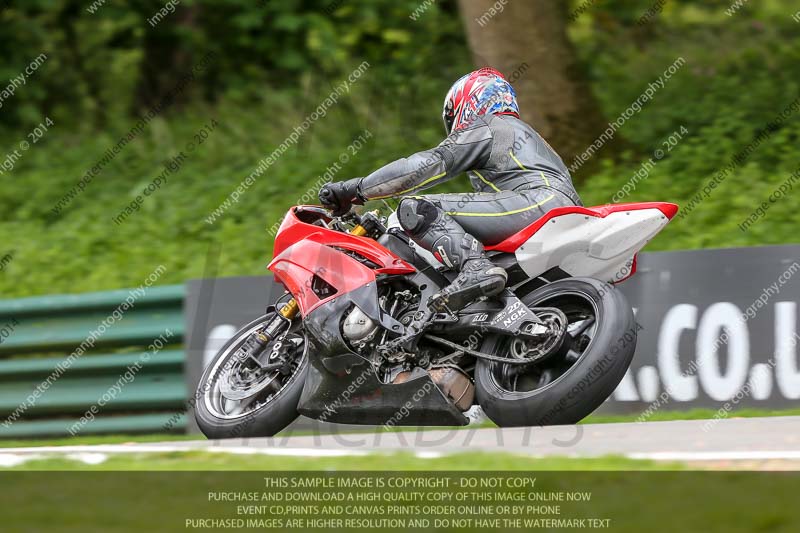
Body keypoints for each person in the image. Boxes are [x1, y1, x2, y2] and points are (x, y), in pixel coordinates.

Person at [319, 67, 582, 312]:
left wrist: (354, 189)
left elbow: (423, 167)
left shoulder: (491, 125)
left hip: (538, 204)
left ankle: (475, 268)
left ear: (469, 101)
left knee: (416, 208)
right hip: (561, 210)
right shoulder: (525, 137)